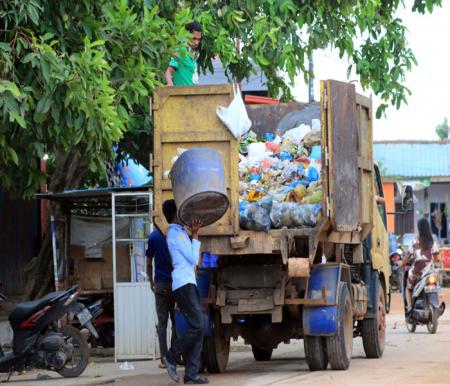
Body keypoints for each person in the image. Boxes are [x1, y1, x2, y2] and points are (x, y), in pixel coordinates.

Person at [162, 199, 208, 385]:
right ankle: (171, 356)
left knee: (199, 328)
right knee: (198, 326)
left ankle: (191, 374)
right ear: (175, 214)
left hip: (188, 284)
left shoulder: (179, 232)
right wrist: (195, 237)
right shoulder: (175, 234)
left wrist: (191, 234)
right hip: (184, 285)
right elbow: (193, 258)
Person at [146, 203, 177, 369]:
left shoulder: (153, 237)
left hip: (160, 285)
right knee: (176, 321)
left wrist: (151, 281)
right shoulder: (175, 235)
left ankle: (164, 359)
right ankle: (174, 356)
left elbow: (149, 262)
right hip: (176, 285)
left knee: (163, 323)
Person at [400, 218, 440, 312]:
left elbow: (407, 258)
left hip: (416, 273)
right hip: (429, 272)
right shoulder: (432, 242)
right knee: (436, 281)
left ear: (419, 228)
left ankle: (409, 307)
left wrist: (401, 264)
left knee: (408, 288)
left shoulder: (415, 242)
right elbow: (437, 258)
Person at [165, 21, 202, 87]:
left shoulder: (193, 54)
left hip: (194, 94)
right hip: (182, 95)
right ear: (187, 35)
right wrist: (170, 83)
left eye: (199, 39)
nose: (196, 43)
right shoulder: (179, 51)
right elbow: (169, 71)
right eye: (194, 38)